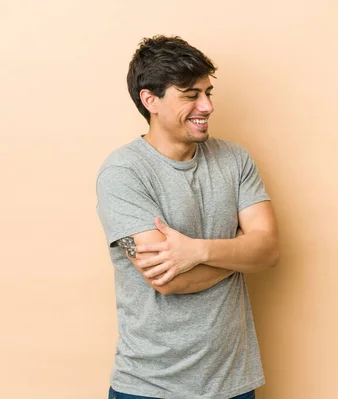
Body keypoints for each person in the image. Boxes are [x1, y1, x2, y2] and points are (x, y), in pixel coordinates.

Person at [95, 35, 279, 399]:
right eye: (190, 94)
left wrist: (197, 252)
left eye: (208, 92)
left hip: (233, 382)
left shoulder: (234, 159)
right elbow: (169, 280)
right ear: (151, 100)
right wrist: (242, 253)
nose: (207, 106)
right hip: (151, 387)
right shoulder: (123, 172)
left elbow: (269, 250)